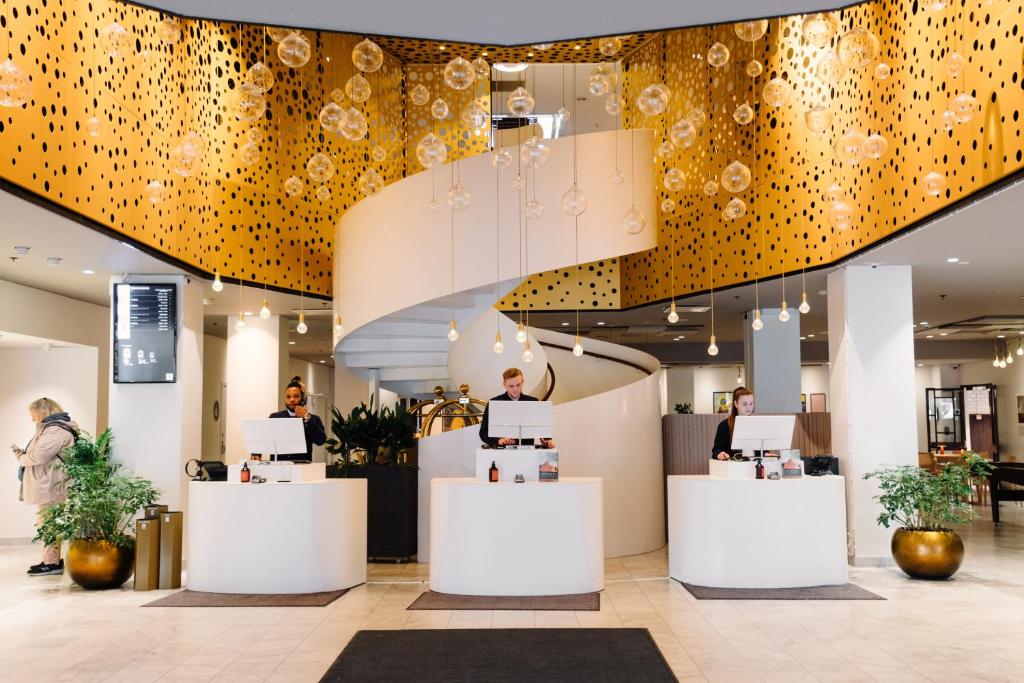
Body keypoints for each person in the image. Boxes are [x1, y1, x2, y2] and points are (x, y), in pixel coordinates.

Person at [11, 398, 79, 576]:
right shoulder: (51, 429)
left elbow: (38, 456)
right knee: (48, 524)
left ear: (43, 412)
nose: (32, 419)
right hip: (50, 483)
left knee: (48, 525)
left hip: (51, 485)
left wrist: (20, 457)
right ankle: (51, 561)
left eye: (34, 415)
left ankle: (52, 564)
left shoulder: (55, 431)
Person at [479, 367, 554, 449]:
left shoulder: (533, 402)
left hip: (527, 451)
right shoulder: (493, 403)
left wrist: (547, 440)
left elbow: (542, 428)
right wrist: (499, 440)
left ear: (523, 381)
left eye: (518, 385)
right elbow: (483, 432)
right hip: (501, 451)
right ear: (504, 384)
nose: (515, 389)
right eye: (511, 386)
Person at [268, 376, 326, 461]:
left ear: (302, 398)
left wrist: (306, 417)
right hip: (278, 465)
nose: (292, 399)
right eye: (288, 397)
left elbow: (320, 440)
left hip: (303, 466)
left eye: (296, 396)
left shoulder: (313, 419)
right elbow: (263, 438)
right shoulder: (274, 417)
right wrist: (256, 452)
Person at [711, 387, 755, 461]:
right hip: (731, 465)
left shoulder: (755, 424)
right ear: (736, 404)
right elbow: (716, 450)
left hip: (752, 465)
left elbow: (760, 448)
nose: (748, 407)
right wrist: (719, 454)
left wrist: (765, 453)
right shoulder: (724, 425)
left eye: (751, 404)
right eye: (745, 404)